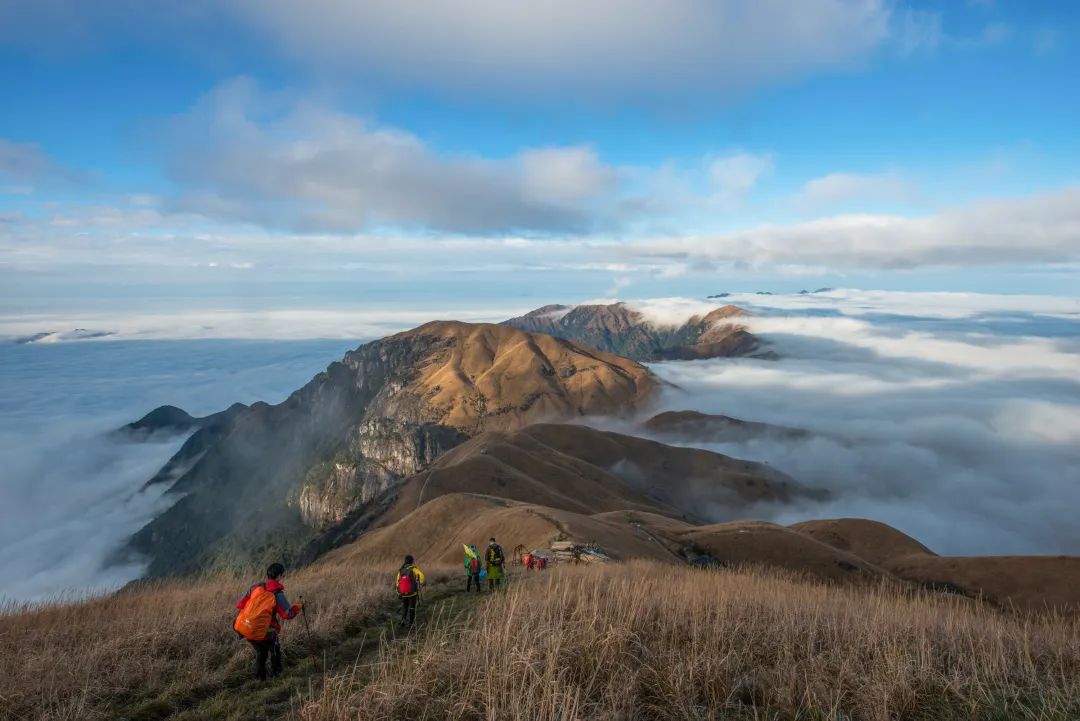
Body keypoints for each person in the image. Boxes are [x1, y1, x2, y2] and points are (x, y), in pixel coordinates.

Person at [233, 562, 301, 681]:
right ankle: (277, 676)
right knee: (275, 650)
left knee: (260, 653)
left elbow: (240, 605)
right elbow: (288, 614)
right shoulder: (277, 594)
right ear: (279, 576)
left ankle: (260, 680)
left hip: (246, 628)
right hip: (266, 631)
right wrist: (298, 606)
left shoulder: (255, 587)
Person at [396, 555, 426, 627]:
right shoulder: (413, 569)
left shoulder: (401, 570)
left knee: (405, 606)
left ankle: (403, 620)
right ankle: (411, 623)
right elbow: (422, 576)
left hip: (402, 593)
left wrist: (398, 593)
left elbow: (397, 582)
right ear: (412, 561)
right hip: (412, 593)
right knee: (412, 607)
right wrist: (421, 582)